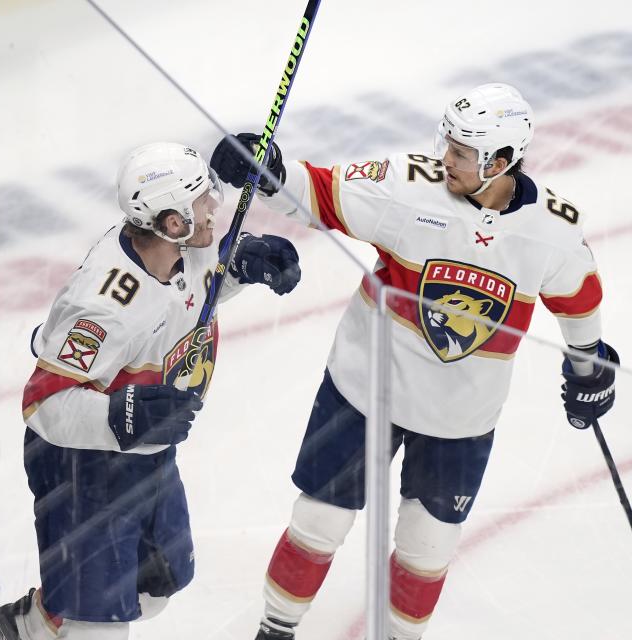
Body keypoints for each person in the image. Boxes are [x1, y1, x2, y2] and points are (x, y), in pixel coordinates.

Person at [209, 83, 619, 640]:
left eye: (463, 152)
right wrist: (270, 168)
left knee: (428, 547)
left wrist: (588, 362)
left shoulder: (553, 230)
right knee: (318, 522)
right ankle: (275, 630)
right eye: (447, 142)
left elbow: (580, 296)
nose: (446, 157)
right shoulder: (408, 186)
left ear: (500, 163)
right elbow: (322, 196)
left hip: (460, 419)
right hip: (364, 387)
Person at [1, 142, 302, 640]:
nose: (214, 206)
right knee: (98, 624)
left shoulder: (176, 245)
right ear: (171, 222)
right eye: (203, 200)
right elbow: (43, 402)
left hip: (146, 452)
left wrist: (238, 270)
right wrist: (120, 416)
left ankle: (29, 626)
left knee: (157, 584)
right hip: (83, 467)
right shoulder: (106, 302)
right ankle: (56, 621)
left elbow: (189, 296)